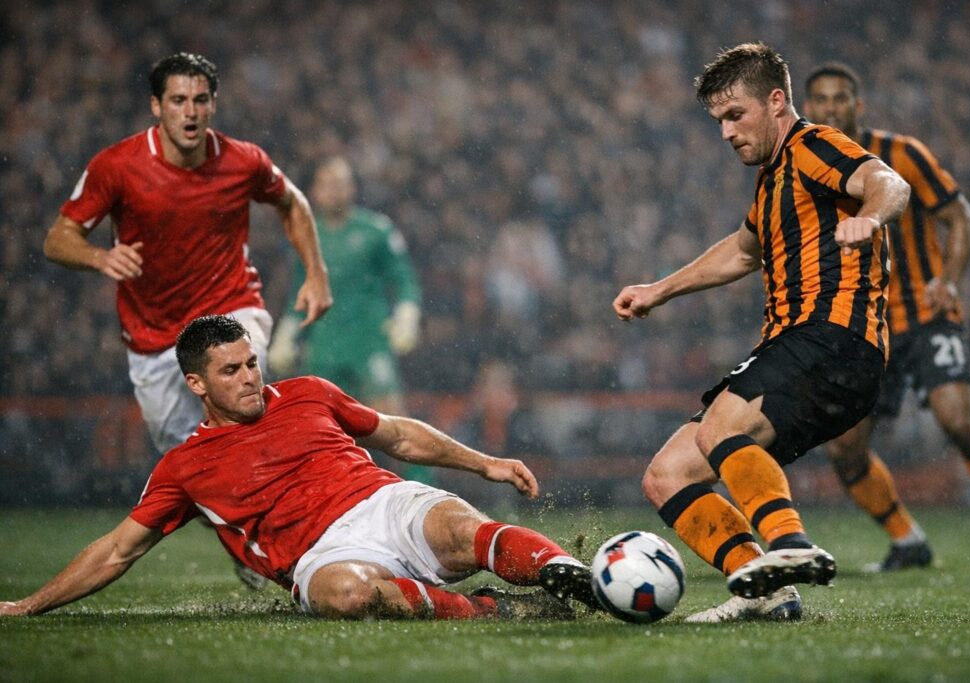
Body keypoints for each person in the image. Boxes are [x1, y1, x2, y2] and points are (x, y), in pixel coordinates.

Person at [0, 315, 598, 621]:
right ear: (196, 384)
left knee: (464, 527)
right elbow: (117, 551)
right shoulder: (184, 467)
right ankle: (496, 609)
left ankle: (581, 580)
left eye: (251, 363)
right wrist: (29, 605)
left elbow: (396, 435)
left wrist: (484, 463)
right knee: (348, 596)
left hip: (381, 502)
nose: (249, 377)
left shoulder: (308, 392)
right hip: (321, 555)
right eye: (230, 371)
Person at [613, 43, 910, 623]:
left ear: (776, 101)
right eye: (719, 121)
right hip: (800, 348)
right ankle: (766, 593)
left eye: (735, 115)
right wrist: (659, 290)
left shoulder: (812, 145)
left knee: (721, 426)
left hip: (833, 338)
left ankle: (790, 544)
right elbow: (744, 251)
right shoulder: (774, 180)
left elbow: (888, 181)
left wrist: (869, 217)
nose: (727, 133)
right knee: (667, 475)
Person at [43, 52, 333, 457]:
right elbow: (58, 238)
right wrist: (100, 258)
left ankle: (283, 475)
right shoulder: (117, 166)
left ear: (213, 104)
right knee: (189, 460)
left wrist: (316, 274)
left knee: (246, 420)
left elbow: (292, 202)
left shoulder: (243, 160)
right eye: (178, 100)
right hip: (154, 334)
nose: (190, 112)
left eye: (200, 100)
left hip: (231, 306)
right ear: (156, 106)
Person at [804, 62, 970, 570]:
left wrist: (949, 280)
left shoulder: (903, 154)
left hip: (926, 315)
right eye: (822, 100)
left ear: (858, 106)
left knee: (960, 421)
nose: (831, 108)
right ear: (808, 108)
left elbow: (961, 218)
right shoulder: (805, 169)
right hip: (862, 325)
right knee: (844, 449)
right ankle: (907, 541)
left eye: (841, 98)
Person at [268, 156, 420, 417]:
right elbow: (299, 294)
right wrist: (286, 334)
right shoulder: (305, 235)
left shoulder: (377, 230)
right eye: (327, 184)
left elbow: (404, 280)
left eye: (340, 183)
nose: (334, 191)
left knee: (390, 420)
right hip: (324, 347)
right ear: (314, 191)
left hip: (370, 342)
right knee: (318, 423)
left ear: (352, 188)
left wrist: (407, 316)